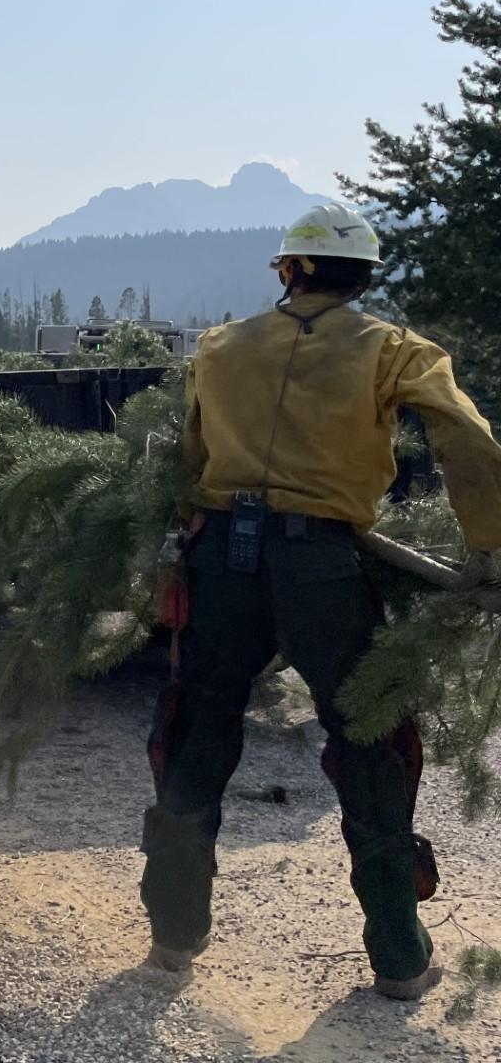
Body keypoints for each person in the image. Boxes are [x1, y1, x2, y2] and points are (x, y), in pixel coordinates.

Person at [141, 205, 501, 1001]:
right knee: (368, 738)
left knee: (197, 725)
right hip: (324, 568)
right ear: (366, 277)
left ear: (287, 271)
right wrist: (488, 546)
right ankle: (401, 960)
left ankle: (173, 938)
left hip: (221, 560)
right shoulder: (392, 348)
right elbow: (468, 439)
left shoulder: (218, 346)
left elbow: (190, 459)